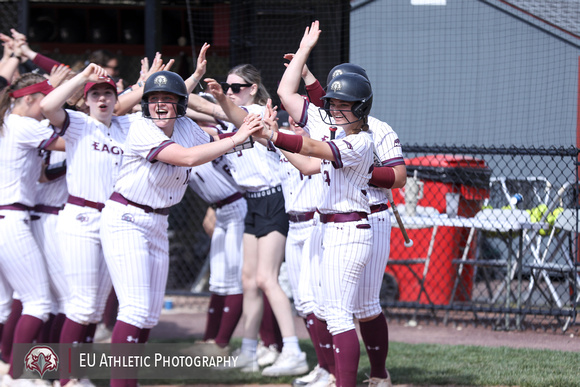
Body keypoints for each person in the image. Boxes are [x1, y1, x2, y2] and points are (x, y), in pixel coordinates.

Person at [99, 69, 261, 387]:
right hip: (126, 219)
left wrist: (255, 132)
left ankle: (130, 379)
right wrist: (239, 138)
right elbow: (186, 159)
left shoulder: (186, 126)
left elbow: (216, 145)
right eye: (154, 99)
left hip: (158, 221)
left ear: (181, 105)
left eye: (168, 99)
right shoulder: (142, 128)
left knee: (148, 315)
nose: (159, 105)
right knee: (133, 310)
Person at [39, 54, 172, 387]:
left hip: (116, 221)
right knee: (82, 306)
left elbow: (157, 102)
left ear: (116, 99)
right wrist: (83, 73)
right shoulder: (79, 123)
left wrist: (150, 82)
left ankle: (83, 375)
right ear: (85, 100)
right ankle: (66, 379)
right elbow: (47, 107)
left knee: (97, 310)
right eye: (95, 94)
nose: (102, 98)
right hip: (81, 220)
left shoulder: (127, 126)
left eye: (107, 94)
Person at [270, 20, 379, 387]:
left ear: (360, 108)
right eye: (333, 102)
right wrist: (304, 52)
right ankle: (335, 377)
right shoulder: (337, 130)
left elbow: (313, 147)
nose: (335, 108)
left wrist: (276, 134)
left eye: (344, 104)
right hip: (332, 229)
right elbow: (287, 96)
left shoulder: (361, 141)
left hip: (349, 229)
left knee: (338, 314)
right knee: (331, 311)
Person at [195, 65, 308, 376]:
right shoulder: (230, 117)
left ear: (254, 88)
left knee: (266, 280)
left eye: (237, 86)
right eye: (227, 87)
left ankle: (292, 349)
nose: (231, 91)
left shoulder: (256, 112)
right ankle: (248, 349)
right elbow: (201, 111)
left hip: (273, 198)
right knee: (248, 281)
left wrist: (214, 97)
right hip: (251, 201)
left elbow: (206, 106)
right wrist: (166, 98)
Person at [0, 72, 66, 386]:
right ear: (28, 99)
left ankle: (12, 370)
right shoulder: (23, 124)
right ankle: (17, 375)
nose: (48, 108)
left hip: (9, 216)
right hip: (10, 219)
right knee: (38, 301)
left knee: (8, 303)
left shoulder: (10, 122)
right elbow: (74, 141)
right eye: (44, 101)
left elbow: (41, 177)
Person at [187, 93, 247, 354]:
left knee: (233, 279)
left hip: (237, 206)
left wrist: (190, 109)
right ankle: (210, 339)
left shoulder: (218, 130)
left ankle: (221, 344)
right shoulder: (184, 135)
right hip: (221, 208)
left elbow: (207, 119)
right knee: (219, 280)